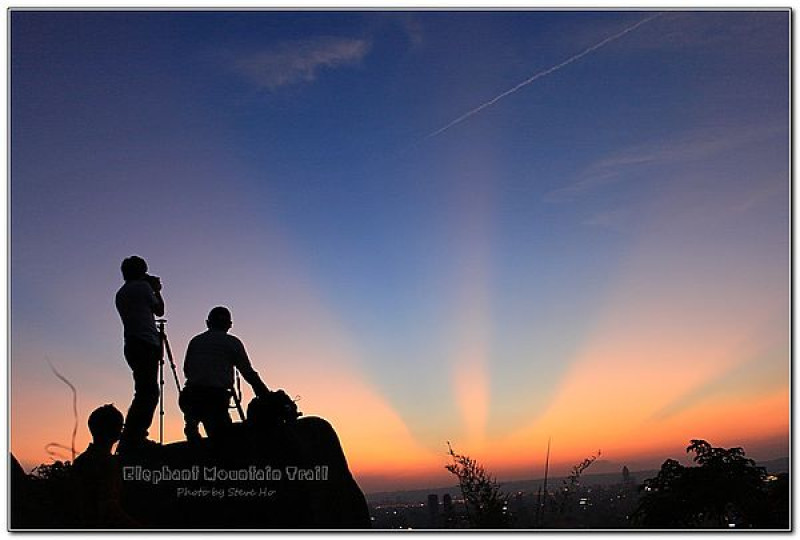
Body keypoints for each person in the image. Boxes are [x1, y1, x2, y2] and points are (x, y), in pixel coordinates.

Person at [180, 306, 269, 441]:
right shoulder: (233, 342)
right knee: (223, 441)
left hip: (189, 396)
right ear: (229, 325)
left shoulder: (196, 340)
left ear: (208, 323)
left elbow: (187, 370)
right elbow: (248, 373)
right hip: (214, 399)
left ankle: (192, 423)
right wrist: (266, 395)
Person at [115, 255, 164, 452]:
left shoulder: (121, 293)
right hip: (145, 343)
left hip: (132, 344)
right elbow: (159, 310)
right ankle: (134, 438)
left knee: (143, 391)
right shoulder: (143, 288)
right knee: (149, 393)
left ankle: (132, 436)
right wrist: (157, 290)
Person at [72, 404, 137, 527]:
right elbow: (109, 509)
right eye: (120, 426)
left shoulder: (81, 461)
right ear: (115, 430)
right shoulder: (107, 463)